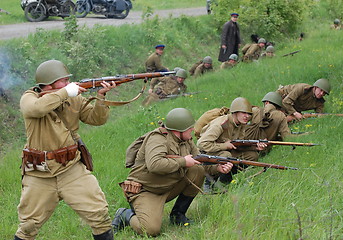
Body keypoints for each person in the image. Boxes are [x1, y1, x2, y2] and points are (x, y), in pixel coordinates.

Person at [15, 60, 117, 240]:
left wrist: (101, 96)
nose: (68, 83)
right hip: (40, 173)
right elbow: (37, 109)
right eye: (63, 80)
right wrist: (65, 93)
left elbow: (96, 119)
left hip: (71, 167)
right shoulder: (29, 98)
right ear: (49, 83)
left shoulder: (73, 97)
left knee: (99, 215)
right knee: (28, 226)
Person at [111, 108, 232, 236]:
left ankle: (178, 215)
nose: (192, 130)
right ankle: (124, 214)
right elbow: (155, 165)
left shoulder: (186, 140)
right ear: (178, 130)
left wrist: (216, 168)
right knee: (150, 230)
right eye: (189, 128)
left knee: (197, 170)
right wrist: (183, 162)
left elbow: (199, 163)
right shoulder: (157, 139)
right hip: (146, 190)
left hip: (167, 186)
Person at [197, 97, 267, 185]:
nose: (247, 116)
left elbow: (237, 145)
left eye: (249, 114)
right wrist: (225, 146)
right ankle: (210, 180)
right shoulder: (221, 124)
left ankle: (226, 176)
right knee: (227, 155)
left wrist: (255, 146)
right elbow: (202, 144)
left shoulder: (241, 124)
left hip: (225, 153)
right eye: (243, 113)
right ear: (235, 112)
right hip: (208, 155)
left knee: (252, 156)